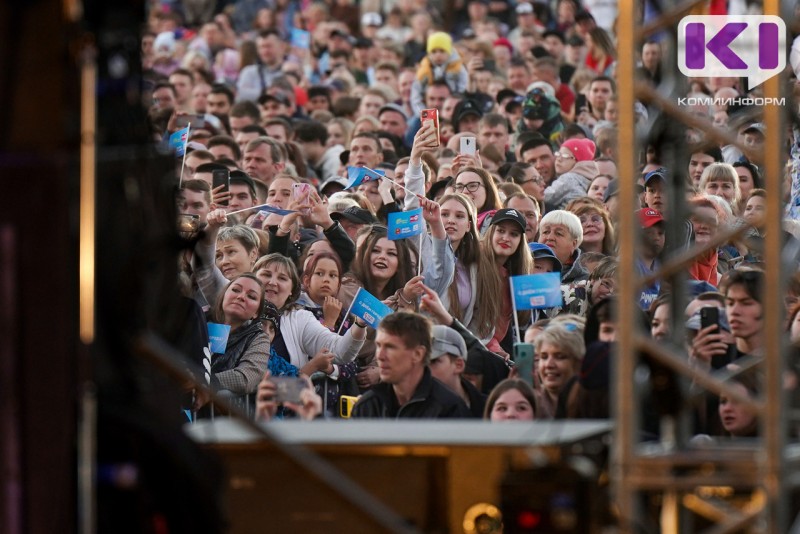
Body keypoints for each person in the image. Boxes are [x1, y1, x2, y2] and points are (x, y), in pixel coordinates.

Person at [253, 253, 367, 372]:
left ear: (292, 289)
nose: (272, 282)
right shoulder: (239, 309)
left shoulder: (300, 319)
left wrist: (359, 324)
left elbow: (339, 352)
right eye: (266, 274)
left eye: (282, 278)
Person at [351, 312, 471, 418]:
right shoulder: (367, 406)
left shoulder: (450, 409)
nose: (380, 356)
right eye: (378, 346)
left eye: (390, 347)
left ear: (418, 354)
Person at [475, 208, 533, 354]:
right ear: (491, 232)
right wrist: (492, 346)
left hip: (494, 349)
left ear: (520, 241)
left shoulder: (515, 276)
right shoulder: (473, 263)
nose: (506, 238)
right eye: (501, 231)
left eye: (514, 234)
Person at [208, 274, 269, 397]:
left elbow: (246, 377)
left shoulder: (259, 338)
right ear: (223, 296)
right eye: (236, 290)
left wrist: (203, 380)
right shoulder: (199, 320)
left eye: (251, 296)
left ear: (256, 313)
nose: (241, 297)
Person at [428, 325, 487, 418]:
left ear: (459, 365)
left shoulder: (490, 408)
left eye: (433, 361)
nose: (425, 370)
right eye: (421, 363)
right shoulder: (415, 411)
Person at [535, 322, 585, 419]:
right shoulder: (528, 404)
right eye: (544, 357)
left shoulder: (594, 405)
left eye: (560, 357)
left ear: (579, 362)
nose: (549, 365)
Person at [409, 32, 468, 115]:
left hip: (453, 110)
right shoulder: (423, 70)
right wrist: (422, 113)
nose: (438, 55)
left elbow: (463, 89)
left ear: (449, 52)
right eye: (434, 52)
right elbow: (416, 95)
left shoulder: (458, 68)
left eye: (442, 51)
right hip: (428, 111)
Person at [538, 210, 588, 283]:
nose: (550, 237)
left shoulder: (584, 282)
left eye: (559, 233)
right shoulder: (523, 268)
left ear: (574, 244)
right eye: (546, 232)